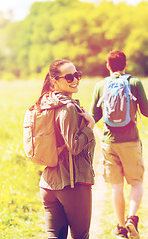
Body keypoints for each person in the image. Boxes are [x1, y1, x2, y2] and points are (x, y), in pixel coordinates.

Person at [89, 50, 148, 239]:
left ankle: (121, 228)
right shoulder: (134, 82)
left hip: (109, 143)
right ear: (125, 65)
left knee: (116, 186)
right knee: (136, 182)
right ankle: (132, 219)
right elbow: (147, 111)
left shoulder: (101, 85)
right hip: (131, 141)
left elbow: (94, 116)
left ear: (108, 65)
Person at [37, 59, 96, 239]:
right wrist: (90, 126)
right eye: (69, 77)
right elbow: (75, 146)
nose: (75, 80)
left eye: (77, 75)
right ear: (54, 81)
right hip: (72, 184)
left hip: (48, 185)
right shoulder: (68, 107)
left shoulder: (45, 103)